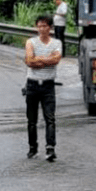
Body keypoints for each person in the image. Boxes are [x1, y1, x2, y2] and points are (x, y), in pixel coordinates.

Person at [25, 15, 62, 162]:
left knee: (50, 118)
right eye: (39, 26)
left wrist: (38, 59)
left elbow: (56, 60)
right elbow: (29, 61)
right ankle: (32, 147)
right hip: (32, 84)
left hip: (48, 84)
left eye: (45, 26)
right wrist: (47, 59)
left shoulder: (56, 43)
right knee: (31, 119)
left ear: (50, 27)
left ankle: (50, 147)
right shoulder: (31, 42)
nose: (42, 29)